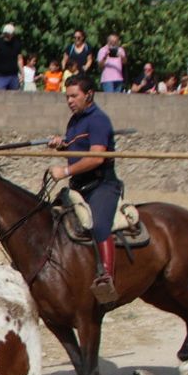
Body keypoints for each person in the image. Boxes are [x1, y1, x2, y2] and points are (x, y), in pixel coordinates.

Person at [47, 73, 122, 303]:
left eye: (73, 96)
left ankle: (106, 277)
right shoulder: (75, 120)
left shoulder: (98, 120)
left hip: (102, 186)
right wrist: (62, 145)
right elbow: (76, 149)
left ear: (89, 94)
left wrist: (65, 171)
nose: (69, 101)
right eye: (67, 97)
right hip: (79, 186)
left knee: (99, 225)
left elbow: (96, 158)